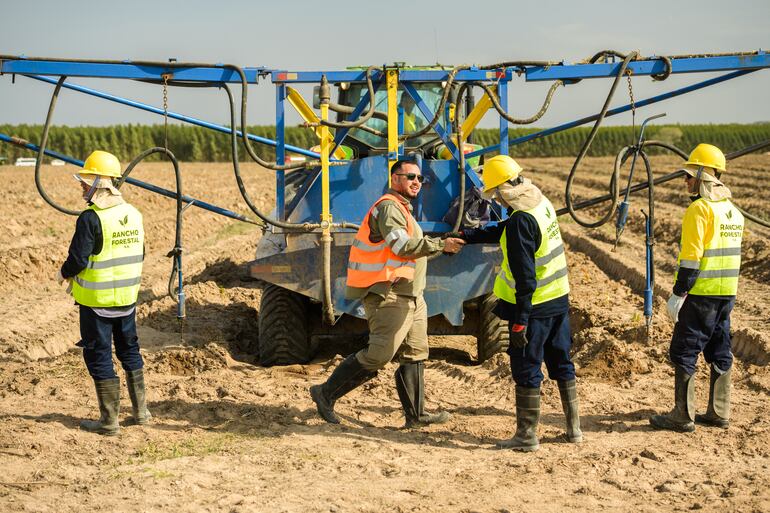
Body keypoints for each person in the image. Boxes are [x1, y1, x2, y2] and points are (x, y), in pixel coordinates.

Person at [310, 159, 465, 427]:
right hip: (390, 294)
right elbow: (400, 246)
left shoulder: (404, 210)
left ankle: (416, 415)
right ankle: (325, 393)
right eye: (410, 177)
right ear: (395, 180)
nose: (417, 182)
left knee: (415, 353)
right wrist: (441, 244)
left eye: (420, 178)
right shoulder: (388, 208)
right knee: (379, 355)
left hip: (413, 297)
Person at [457, 154, 581, 451]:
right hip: (558, 301)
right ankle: (573, 429)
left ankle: (527, 435)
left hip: (533, 308)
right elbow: (508, 229)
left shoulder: (519, 221)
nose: (495, 201)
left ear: (501, 191)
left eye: (495, 195)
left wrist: (520, 322)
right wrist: (470, 236)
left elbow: (525, 278)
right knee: (561, 362)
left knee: (526, 369)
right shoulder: (539, 203)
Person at [650, 144, 744, 432]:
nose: (686, 181)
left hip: (702, 293)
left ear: (704, 175)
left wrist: (679, 293)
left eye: (690, 176)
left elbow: (691, 258)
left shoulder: (699, 210)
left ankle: (682, 415)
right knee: (720, 348)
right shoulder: (732, 211)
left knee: (685, 349)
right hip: (726, 294)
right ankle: (719, 411)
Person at [57, 150, 150, 436]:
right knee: (129, 350)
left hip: (97, 303)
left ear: (99, 182)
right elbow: (141, 252)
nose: (82, 186)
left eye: (86, 181)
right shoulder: (133, 214)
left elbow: (77, 260)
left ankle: (109, 421)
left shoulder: (91, 218)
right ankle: (141, 412)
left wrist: (63, 272)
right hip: (126, 300)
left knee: (98, 355)